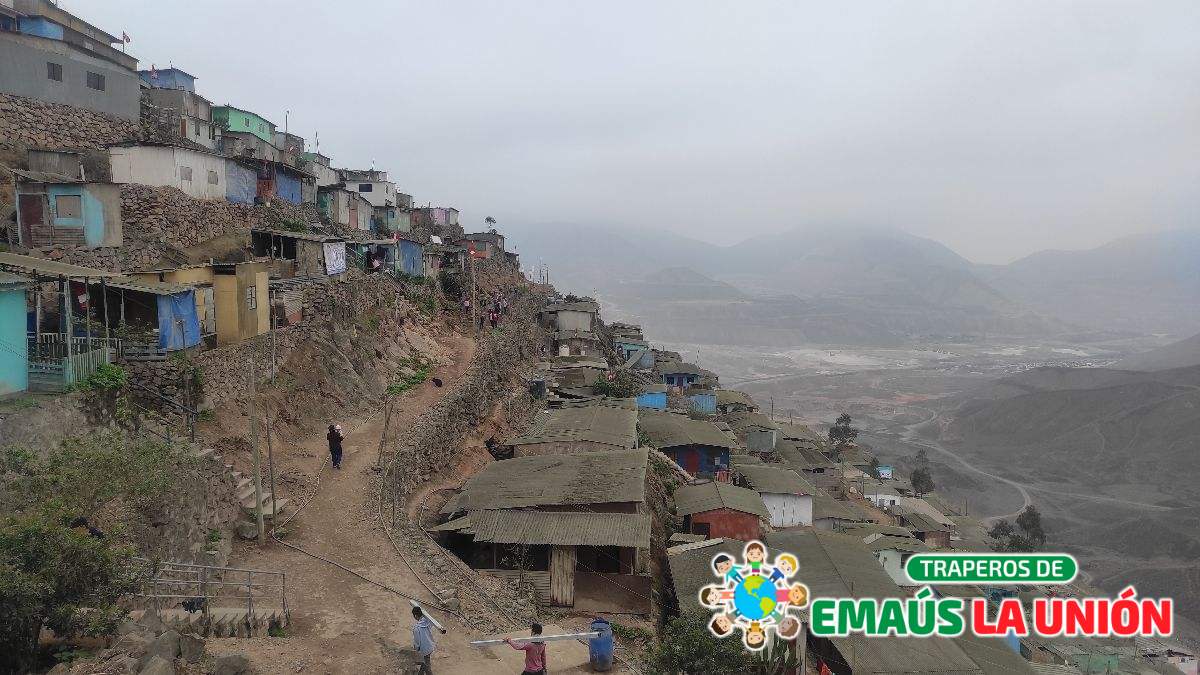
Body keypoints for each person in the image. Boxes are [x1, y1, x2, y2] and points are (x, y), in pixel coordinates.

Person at [412, 606, 444, 674]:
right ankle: (420, 673)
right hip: (430, 646)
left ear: (415, 615)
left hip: (424, 649)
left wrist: (416, 649)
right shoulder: (427, 621)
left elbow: (417, 643)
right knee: (425, 662)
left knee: (427, 666)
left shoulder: (416, 628)